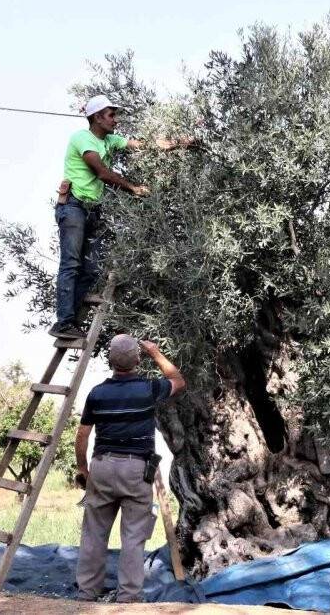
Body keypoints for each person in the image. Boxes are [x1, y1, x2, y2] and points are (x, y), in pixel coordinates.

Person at [49, 95, 193, 339]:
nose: (116, 120)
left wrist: (182, 143)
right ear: (96, 117)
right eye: (111, 115)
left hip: (92, 210)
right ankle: (63, 323)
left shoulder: (110, 140)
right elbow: (103, 173)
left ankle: (69, 320)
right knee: (71, 264)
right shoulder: (82, 139)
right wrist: (134, 189)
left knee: (91, 269)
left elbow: (145, 144)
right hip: (73, 207)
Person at [74, 334, 187, 603]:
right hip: (137, 470)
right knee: (134, 537)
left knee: (93, 535)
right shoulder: (148, 389)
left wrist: (83, 468)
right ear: (137, 360)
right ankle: (128, 597)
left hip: (102, 467)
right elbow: (178, 380)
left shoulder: (97, 393)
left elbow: (82, 435)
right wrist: (156, 353)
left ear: (110, 360)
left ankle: (87, 593)